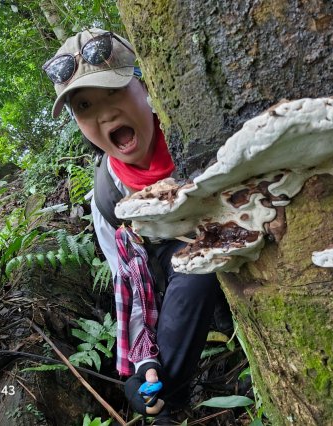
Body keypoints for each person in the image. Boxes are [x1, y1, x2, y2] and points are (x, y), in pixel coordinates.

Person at [43, 28, 230, 424]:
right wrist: (141, 362)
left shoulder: (195, 134)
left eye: (114, 91)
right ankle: (164, 397)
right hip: (175, 268)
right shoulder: (109, 196)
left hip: (238, 235)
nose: (104, 113)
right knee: (191, 270)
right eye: (85, 106)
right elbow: (130, 281)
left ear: (145, 86)